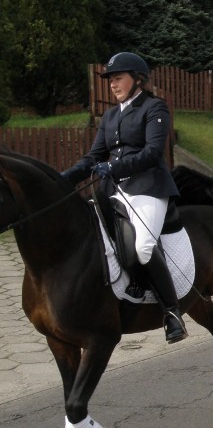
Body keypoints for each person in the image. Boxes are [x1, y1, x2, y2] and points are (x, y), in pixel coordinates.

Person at [61, 52, 187, 344]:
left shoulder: (154, 107)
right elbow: (93, 156)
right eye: (110, 80)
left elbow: (153, 152)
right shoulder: (110, 115)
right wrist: (65, 177)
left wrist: (113, 167)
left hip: (148, 186)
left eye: (118, 78)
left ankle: (171, 312)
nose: (113, 85)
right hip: (113, 190)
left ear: (138, 79)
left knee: (143, 246)